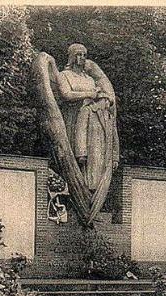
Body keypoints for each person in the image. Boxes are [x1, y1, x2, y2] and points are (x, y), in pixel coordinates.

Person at [54, 43, 119, 192]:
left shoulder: (90, 79)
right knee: (76, 155)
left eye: (84, 55)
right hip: (72, 118)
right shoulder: (64, 75)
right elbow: (66, 95)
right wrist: (88, 94)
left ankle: (90, 188)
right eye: (78, 54)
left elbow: (99, 96)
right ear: (71, 57)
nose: (81, 58)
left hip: (92, 118)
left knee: (94, 155)